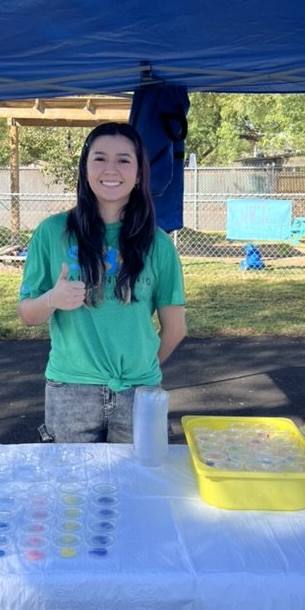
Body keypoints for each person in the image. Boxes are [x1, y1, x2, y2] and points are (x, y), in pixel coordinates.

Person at [17, 121, 187, 443]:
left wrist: (142, 370)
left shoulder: (159, 244)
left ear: (139, 174)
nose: (111, 169)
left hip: (139, 395)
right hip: (70, 393)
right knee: (72, 491)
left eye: (124, 160)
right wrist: (52, 299)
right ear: (85, 168)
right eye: (100, 158)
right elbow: (27, 315)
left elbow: (176, 328)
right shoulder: (51, 233)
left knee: (140, 487)